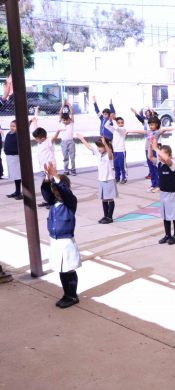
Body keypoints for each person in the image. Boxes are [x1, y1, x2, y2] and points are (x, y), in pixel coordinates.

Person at [40, 162, 81, 309]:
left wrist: (56, 177)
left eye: (56, 189)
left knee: (68, 269)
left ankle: (72, 295)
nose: (55, 192)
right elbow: (45, 193)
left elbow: (64, 192)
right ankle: (66, 294)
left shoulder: (70, 202)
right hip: (55, 240)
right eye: (53, 189)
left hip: (66, 241)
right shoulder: (54, 202)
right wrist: (47, 177)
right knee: (61, 269)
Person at [76, 134, 117, 223]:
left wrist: (105, 144)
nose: (99, 148)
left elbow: (109, 153)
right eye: (98, 147)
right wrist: (82, 139)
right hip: (101, 180)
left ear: (106, 146)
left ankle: (110, 217)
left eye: (100, 147)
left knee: (110, 199)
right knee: (104, 199)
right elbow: (89, 147)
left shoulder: (109, 155)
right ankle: (105, 216)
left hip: (108, 180)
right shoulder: (99, 154)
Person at [148, 137, 175, 245]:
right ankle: (167, 235)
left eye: (163, 154)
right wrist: (150, 146)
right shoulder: (159, 163)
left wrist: (156, 148)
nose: (160, 156)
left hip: (172, 194)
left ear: (170, 155)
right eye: (160, 155)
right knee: (166, 216)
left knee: (174, 216)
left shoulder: (172, 164)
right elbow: (150, 156)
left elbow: (166, 159)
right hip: (163, 193)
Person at [4, 120, 22, 199]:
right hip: (9, 157)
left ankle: (20, 193)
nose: (12, 127)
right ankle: (17, 191)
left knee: (18, 175)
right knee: (14, 176)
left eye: (14, 126)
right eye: (11, 126)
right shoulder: (8, 134)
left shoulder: (18, 135)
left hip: (16, 157)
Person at [59, 103, 76, 176]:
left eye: (67, 120)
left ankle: (73, 169)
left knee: (72, 156)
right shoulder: (61, 123)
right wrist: (63, 106)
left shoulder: (71, 123)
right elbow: (60, 113)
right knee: (65, 156)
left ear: (70, 119)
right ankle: (66, 170)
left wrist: (69, 105)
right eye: (64, 120)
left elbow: (72, 113)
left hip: (71, 142)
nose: (65, 121)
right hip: (63, 142)